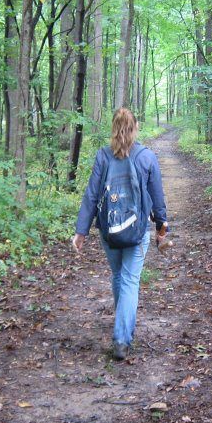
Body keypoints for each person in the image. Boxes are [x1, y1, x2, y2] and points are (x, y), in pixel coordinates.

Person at [73, 108, 168, 360]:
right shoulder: (146, 157)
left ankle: (122, 324)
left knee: (119, 276)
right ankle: (122, 338)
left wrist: (81, 231)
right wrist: (161, 228)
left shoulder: (103, 156)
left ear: (113, 128)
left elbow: (92, 195)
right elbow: (157, 197)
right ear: (135, 127)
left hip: (109, 230)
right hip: (137, 232)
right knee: (129, 280)